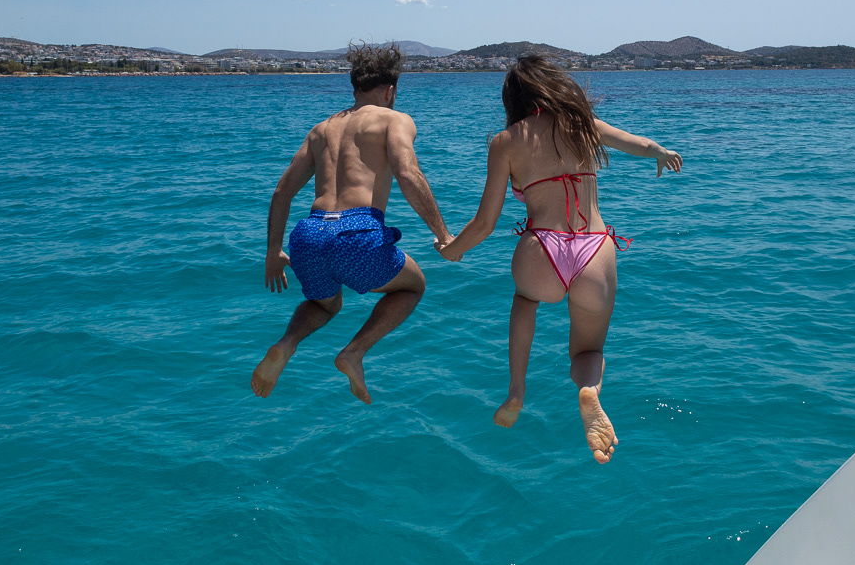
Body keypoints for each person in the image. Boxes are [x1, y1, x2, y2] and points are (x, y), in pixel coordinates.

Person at [436, 56, 682, 463]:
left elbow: (484, 223)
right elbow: (636, 143)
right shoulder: (583, 125)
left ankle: (516, 390)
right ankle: (588, 391)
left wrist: (452, 249)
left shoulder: (506, 142)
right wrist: (660, 152)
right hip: (594, 250)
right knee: (587, 353)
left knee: (525, 300)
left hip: (541, 250)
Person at [254, 43, 451, 404]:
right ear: (389, 91)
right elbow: (408, 174)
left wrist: (273, 251)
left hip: (309, 234)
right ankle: (354, 352)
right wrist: (443, 234)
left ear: (356, 87)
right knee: (413, 287)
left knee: (325, 304)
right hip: (357, 231)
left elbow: (282, 192)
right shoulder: (394, 119)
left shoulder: (321, 129)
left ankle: (287, 343)